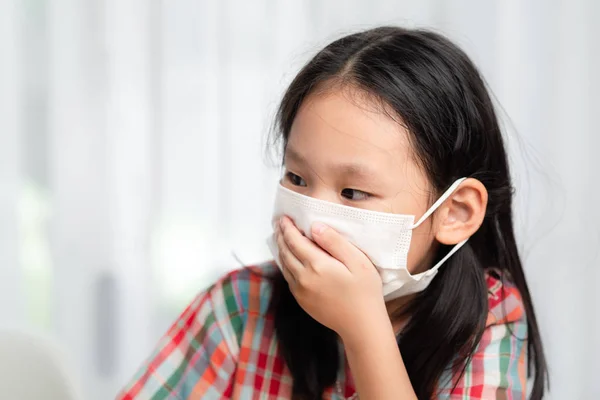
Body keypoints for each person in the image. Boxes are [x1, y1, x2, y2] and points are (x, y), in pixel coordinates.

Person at [117, 26, 548, 400]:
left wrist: (363, 329)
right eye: (298, 178)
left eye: (353, 191)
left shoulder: (492, 322)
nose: (314, 222)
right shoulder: (239, 306)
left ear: (454, 212)